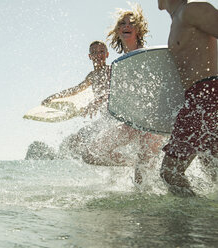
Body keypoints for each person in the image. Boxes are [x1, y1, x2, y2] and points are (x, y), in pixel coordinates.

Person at [83, 4, 165, 184]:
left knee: (141, 180)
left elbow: (152, 88)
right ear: (118, 30)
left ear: (138, 29)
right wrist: (102, 99)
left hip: (151, 123)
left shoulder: (145, 54)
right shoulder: (118, 63)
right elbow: (120, 91)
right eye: (122, 23)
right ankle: (130, 163)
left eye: (131, 23)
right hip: (131, 122)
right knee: (90, 154)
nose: (126, 26)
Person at [157, 0, 218, 197]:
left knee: (170, 172)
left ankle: (196, 220)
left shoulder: (191, 11)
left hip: (206, 95)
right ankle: (210, 225)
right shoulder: (177, 20)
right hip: (199, 96)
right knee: (213, 169)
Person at [41, 40, 111, 118]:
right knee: (82, 131)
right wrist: (52, 97)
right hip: (106, 116)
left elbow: (114, 91)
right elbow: (75, 90)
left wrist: (98, 101)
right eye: (94, 52)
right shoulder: (92, 76)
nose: (98, 55)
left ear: (107, 54)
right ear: (90, 56)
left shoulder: (111, 70)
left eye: (101, 51)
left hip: (117, 112)